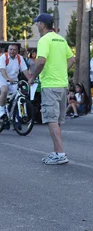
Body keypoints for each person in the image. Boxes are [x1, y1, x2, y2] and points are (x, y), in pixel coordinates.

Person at [29, 13, 75, 165]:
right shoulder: (60, 39)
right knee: (57, 121)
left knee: (51, 120)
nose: (36, 26)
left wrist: (33, 77)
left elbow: (41, 61)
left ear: (43, 24)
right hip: (62, 85)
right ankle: (56, 152)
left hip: (50, 85)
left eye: (37, 23)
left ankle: (60, 153)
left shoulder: (44, 40)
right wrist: (62, 70)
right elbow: (72, 58)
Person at [0, 44, 31, 123]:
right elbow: (2, 69)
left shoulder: (19, 58)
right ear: (8, 50)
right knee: (4, 90)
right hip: (1, 80)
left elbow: (25, 70)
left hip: (13, 81)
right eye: (10, 49)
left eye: (14, 50)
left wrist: (30, 80)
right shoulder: (3, 57)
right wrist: (7, 78)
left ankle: (14, 116)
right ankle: (2, 111)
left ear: (17, 51)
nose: (12, 51)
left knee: (19, 96)